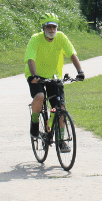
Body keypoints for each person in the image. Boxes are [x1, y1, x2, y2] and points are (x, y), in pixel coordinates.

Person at [25, 12, 85, 152]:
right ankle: (34, 122)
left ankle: (61, 141)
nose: (52, 30)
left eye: (54, 27)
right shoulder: (36, 39)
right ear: (43, 28)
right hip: (36, 75)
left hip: (53, 76)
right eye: (48, 27)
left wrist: (80, 72)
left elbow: (72, 54)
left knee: (59, 108)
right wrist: (34, 75)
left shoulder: (61, 37)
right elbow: (30, 59)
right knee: (40, 97)